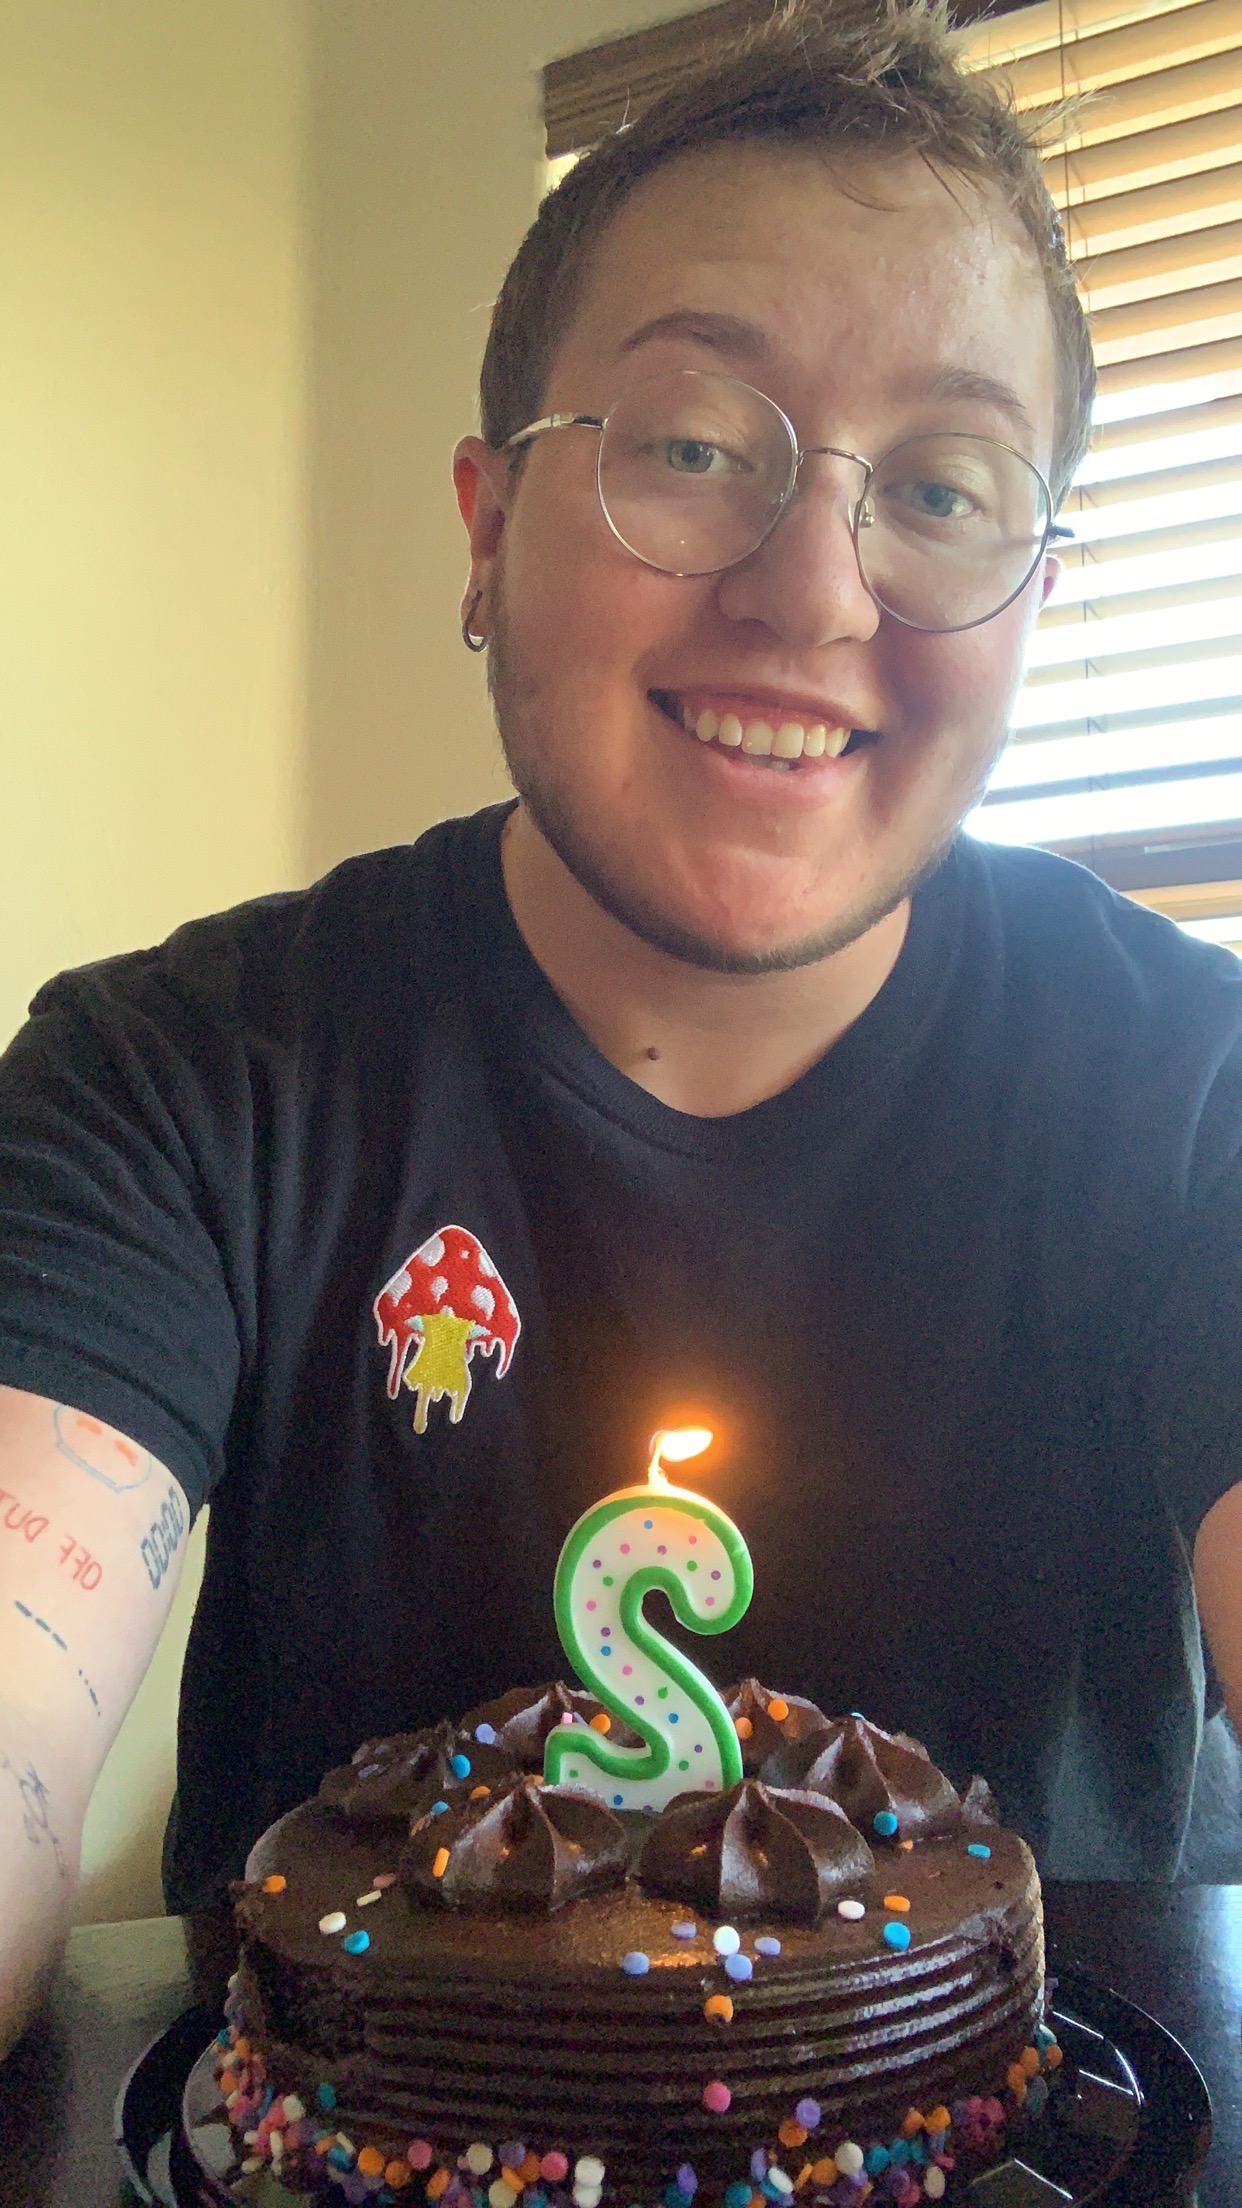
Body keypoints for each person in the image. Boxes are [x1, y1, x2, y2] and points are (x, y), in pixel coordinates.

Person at [3, 0, 1241, 2060]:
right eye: (689, 444)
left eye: (943, 487)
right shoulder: (180, 1081)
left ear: (1031, 592)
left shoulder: (1194, 1095)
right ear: (487, 529)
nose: (813, 593)